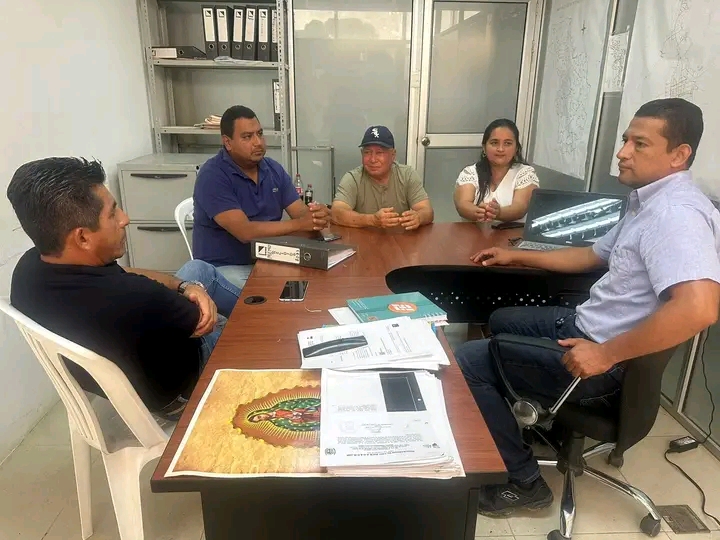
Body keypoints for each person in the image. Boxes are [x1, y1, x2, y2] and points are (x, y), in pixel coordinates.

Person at [455, 98, 720, 516]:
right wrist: (515, 255)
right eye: (625, 140)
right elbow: (592, 255)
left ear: (679, 154)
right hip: (586, 325)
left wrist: (605, 354)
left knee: (467, 363)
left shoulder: (676, 215)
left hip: (604, 363)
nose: (622, 152)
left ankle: (524, 482)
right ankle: (522, 413)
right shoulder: (648, 202)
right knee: (501, 318)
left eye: (639, 144)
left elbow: (699, 308)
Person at [7, 157, 242, 420]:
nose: (125, 219)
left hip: (135, 378)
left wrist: (185, 285)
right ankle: (258, 318)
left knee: (197, 269)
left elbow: (126, 272)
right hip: (184, 391)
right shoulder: (136, 296)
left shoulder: (29, 268)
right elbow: (204, 323)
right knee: (243, 329)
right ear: (82, 237)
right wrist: (196, 293)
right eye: (112, 213)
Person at [193, 105, 330, 288]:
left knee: (319, 282)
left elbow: (301, 213)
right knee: (282, 291)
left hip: (269, 259)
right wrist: (301, 224)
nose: (258, 142)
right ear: (228, 142)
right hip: (224, 269)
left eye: (260, 134)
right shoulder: (212, 176)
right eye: (247, 137)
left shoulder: (273, 169)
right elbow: (245, 232)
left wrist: (317, 216)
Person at [331, 125, 434, 230]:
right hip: (363, 238)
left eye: (379, 153)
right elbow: (336, 213)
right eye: (367, 152)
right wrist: (372, 220)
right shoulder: (353, 178)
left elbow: (427, 211)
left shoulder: (407, 175)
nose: (373, 159)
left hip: (400, 238)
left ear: (393, 155)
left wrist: (418, 217)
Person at [454, 118, 539, 223]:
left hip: (513, 233)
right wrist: (479, 212)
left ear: (516, 148)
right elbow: (462, 204)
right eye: (494, 143)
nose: (500, 149)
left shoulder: (526, 173)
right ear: (484, 147)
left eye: (507, 143)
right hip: (474, 232)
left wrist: (498, 213)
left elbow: (520, 207)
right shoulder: (470, 172)